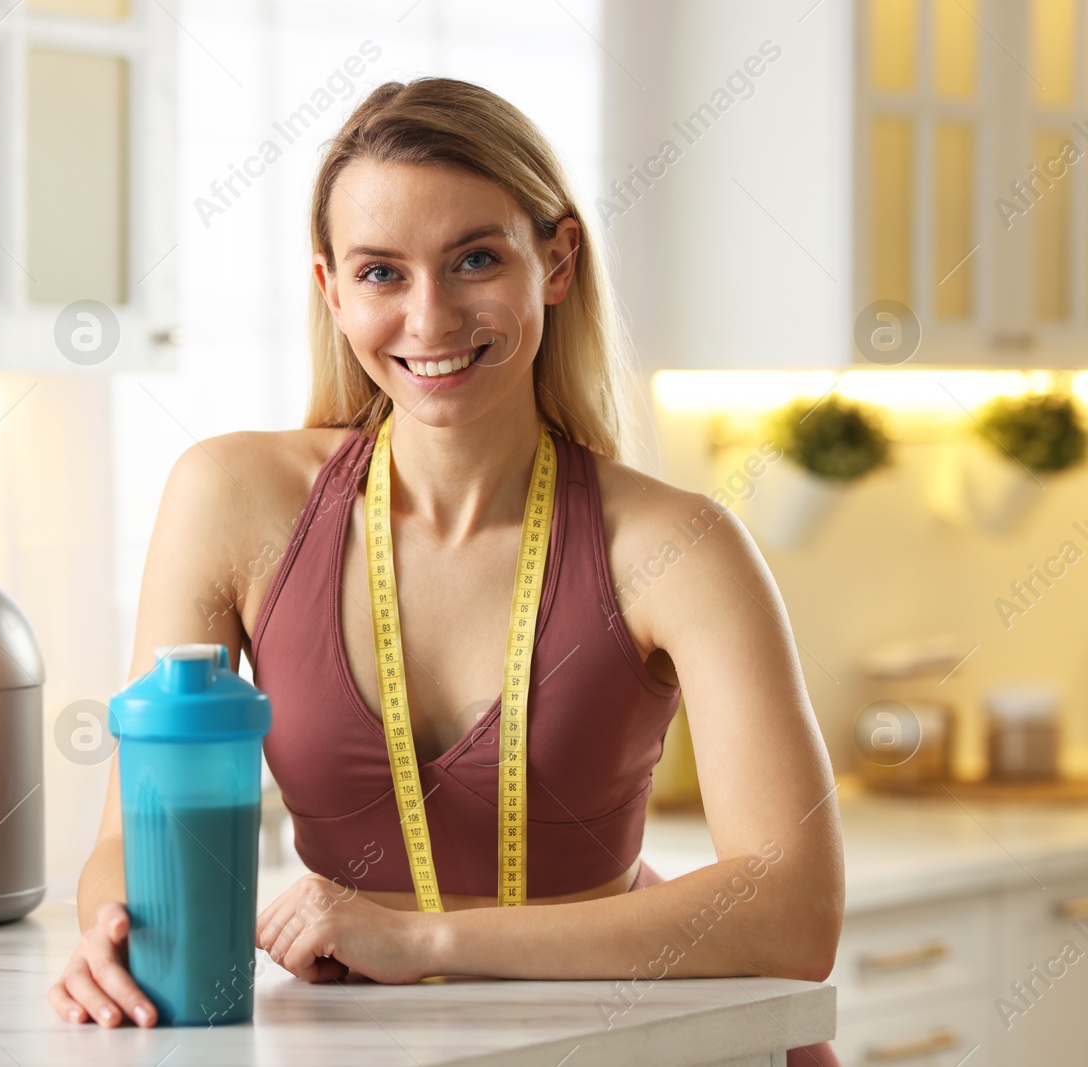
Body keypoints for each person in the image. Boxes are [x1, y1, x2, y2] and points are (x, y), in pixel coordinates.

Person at [48, 77, 844, 1065]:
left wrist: (421, 939)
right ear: (331, 289)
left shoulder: (677, 545)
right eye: (381, 272)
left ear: (553, 261)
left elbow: (793, 911)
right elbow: (134, 832)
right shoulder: (230, 497)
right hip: (362, 1045)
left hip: (629, 1042)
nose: (428, 318)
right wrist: (112, 932)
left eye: (475, 258)